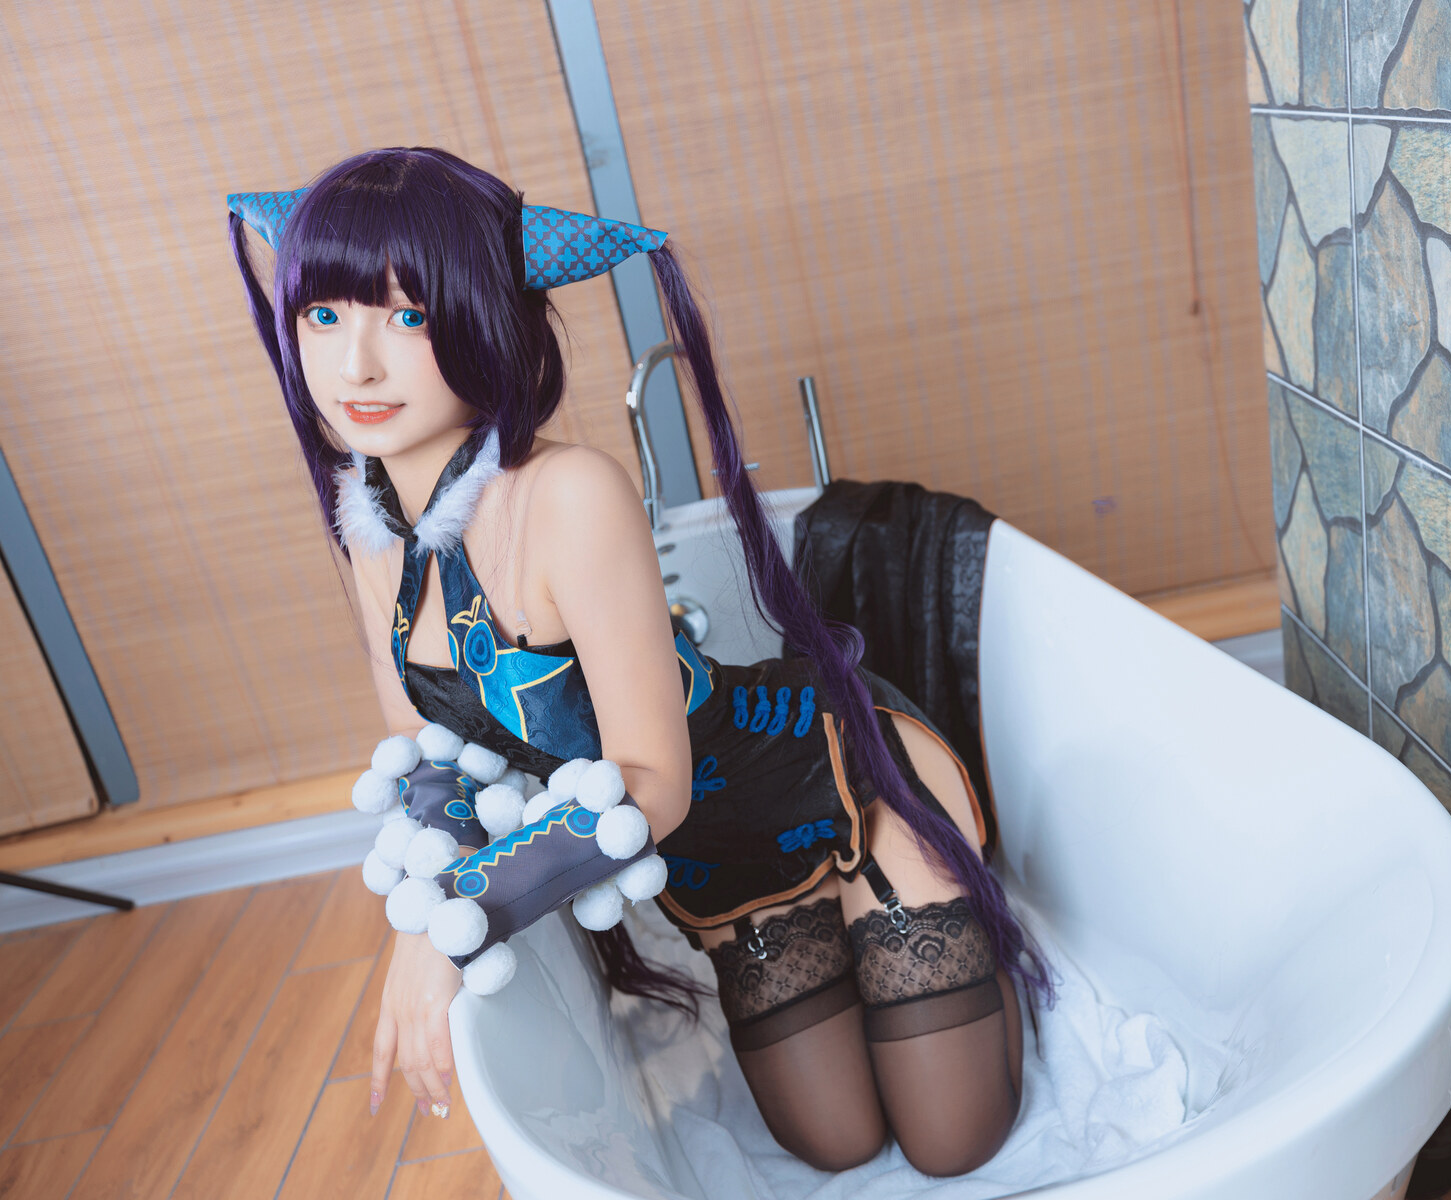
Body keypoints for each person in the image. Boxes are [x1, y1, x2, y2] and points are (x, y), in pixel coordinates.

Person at [227, 146, 1046, 1176]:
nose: (355, 366)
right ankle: (845, 943)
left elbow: (651, 779)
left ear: (487, 318)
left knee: (951, 1144)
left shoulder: (568, 494)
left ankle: (943, 904)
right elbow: (424, 751)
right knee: (836, 1144)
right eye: (324, 315)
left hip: (844, 778)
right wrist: (419, 918)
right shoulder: (370, 529)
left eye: (408, 317)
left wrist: (454, 923)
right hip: (722, 865)